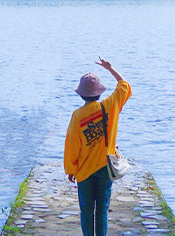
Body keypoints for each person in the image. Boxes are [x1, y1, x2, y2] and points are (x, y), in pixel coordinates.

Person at [63, 58, 131, 236]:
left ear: (81, 94)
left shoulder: (77, 116)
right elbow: (124, 85)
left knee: (86, 211)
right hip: (104, 168)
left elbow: (72, 145)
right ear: (98, 93)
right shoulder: (109, 106)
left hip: (84, 171)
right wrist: (110, 69)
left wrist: (71, 169)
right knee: (102, 210)